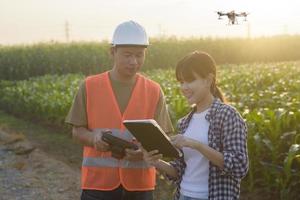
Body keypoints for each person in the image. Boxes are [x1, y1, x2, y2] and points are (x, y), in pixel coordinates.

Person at [65, 20, 173, 200]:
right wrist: (94, 138)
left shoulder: (154, 90)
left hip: (140, 187)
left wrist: (143, 152)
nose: (134, 61)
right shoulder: (89, 86)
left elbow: (164, 140)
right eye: (127, 55)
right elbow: (76, 131)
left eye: (140, 55)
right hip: (98, 185)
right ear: (112, 52)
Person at [143, 51, 248, 200]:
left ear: (208, 80)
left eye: (190, 80)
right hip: (184, 195)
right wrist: (156, 162)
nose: (184, 87)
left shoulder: (227, 115)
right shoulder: (185, 122)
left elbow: (239, 166)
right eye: (181, 82)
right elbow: (179, 170)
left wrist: (196, 145)